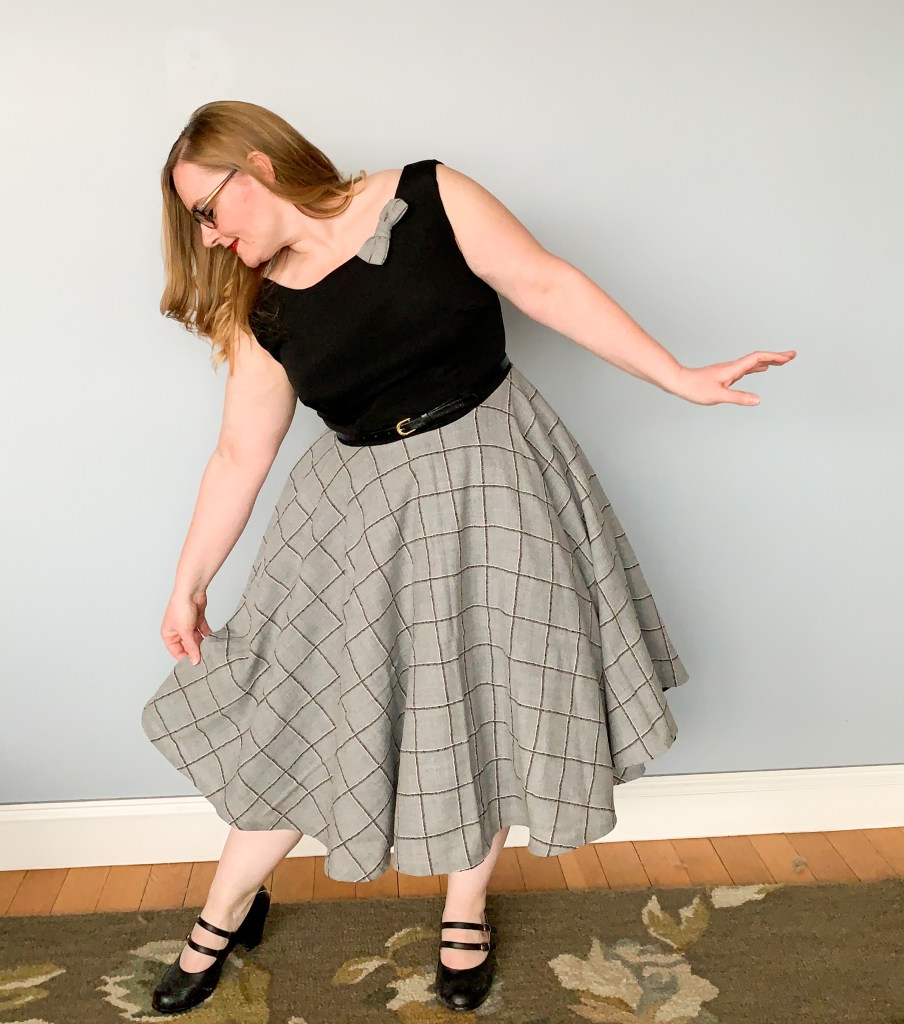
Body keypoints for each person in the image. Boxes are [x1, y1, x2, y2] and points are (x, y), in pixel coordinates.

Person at [140, 100, 795, 1015]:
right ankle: (224, 912)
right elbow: (239, 454)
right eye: (197, 225)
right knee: (306, 716)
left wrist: (677, 377)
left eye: (209, 211)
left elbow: (544, 283)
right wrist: (189, 582)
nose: (209, 237)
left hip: (498, 481)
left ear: (258, 165)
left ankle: (465, 911)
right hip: (360, 521)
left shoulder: (428, 196)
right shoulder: (264, 307)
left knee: (484, 700)